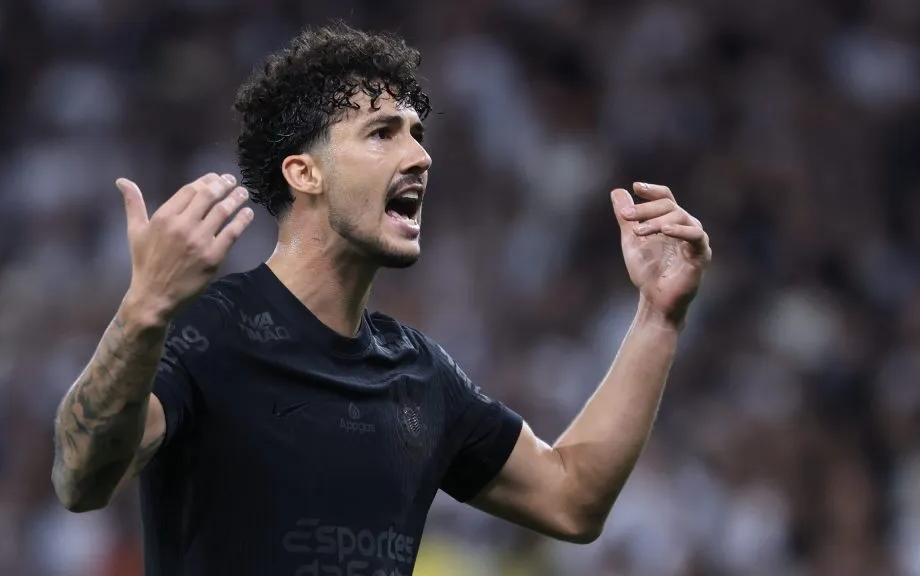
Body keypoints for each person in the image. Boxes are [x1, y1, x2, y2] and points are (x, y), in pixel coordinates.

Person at [51, 22, 712, 576]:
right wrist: (143, 310)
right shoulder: (209, 330)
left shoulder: (419, 374)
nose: (420, 155)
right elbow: (81, 478)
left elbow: (574, 500)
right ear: (304, 172)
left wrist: (659, 315)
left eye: (418, 133)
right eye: (382, 132)